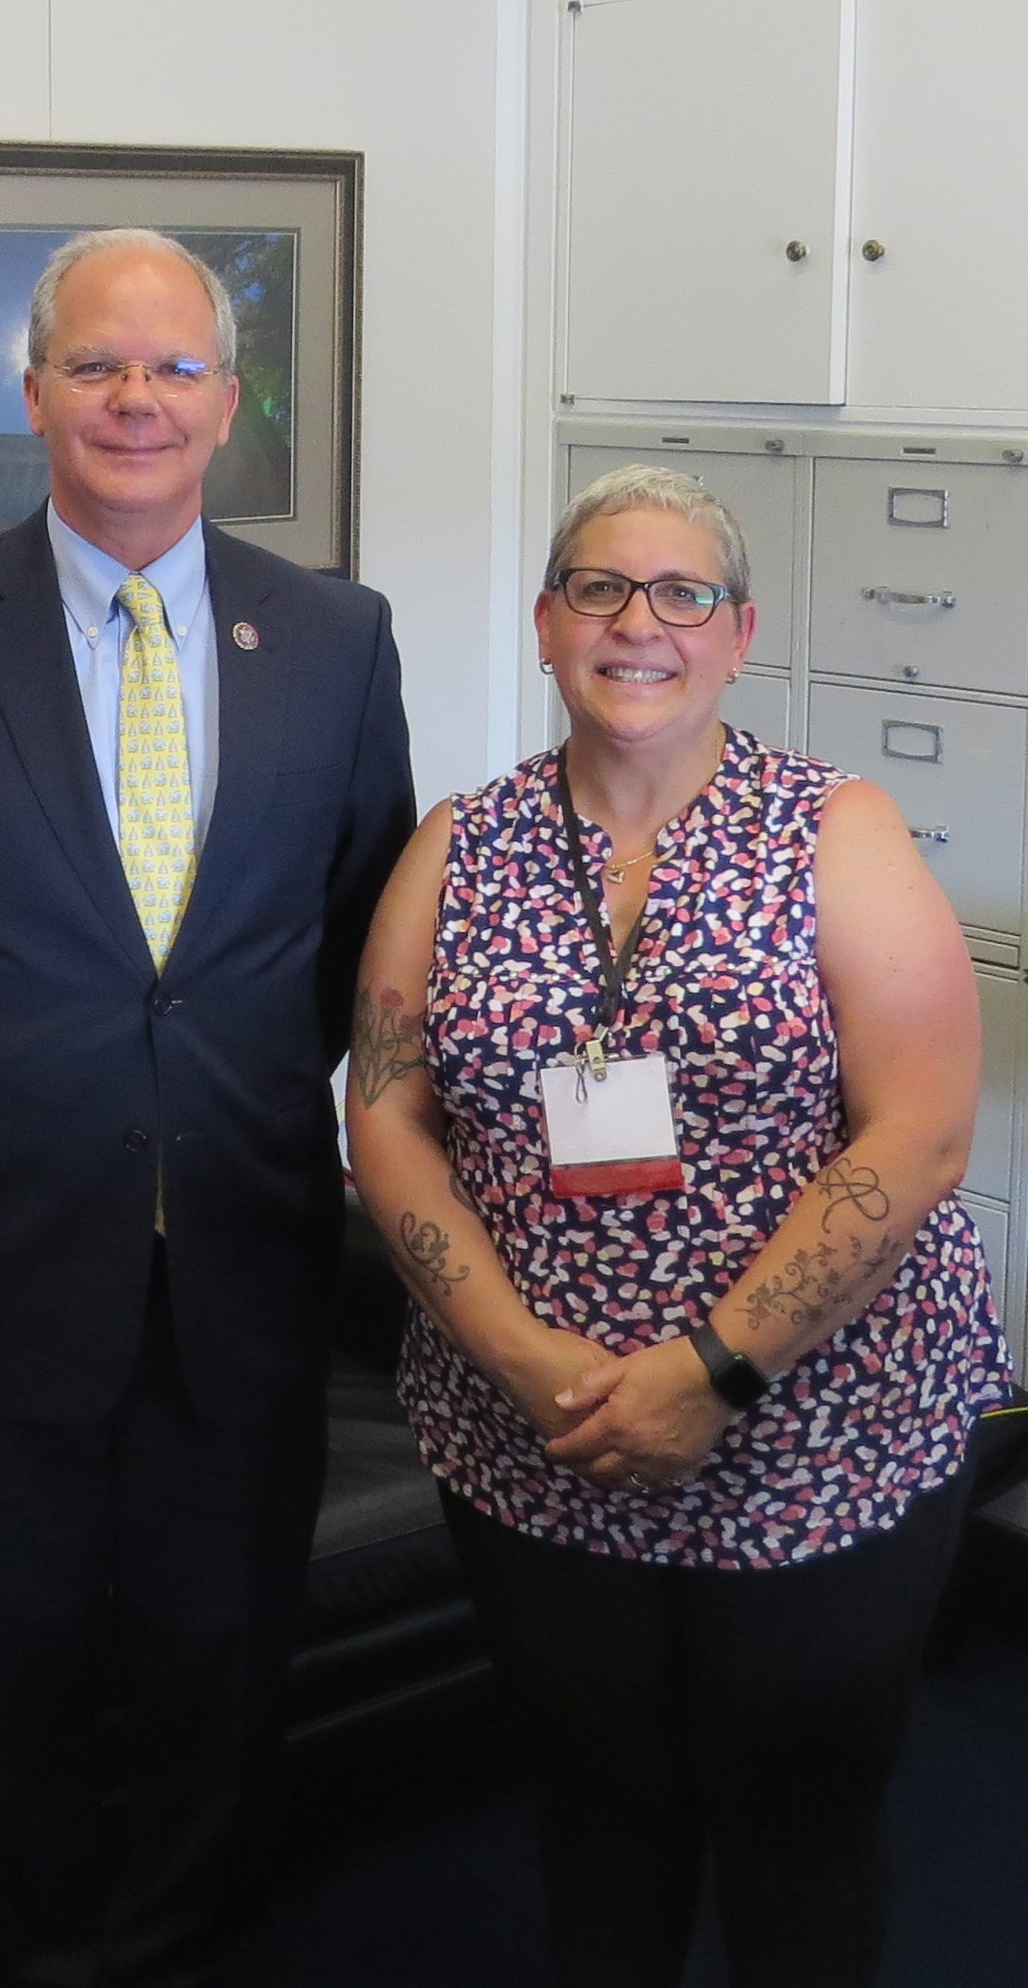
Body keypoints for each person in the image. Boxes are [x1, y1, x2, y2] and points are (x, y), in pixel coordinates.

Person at [0, 227, 415, 1986]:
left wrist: (223, 1093)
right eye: (95, 366)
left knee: (218, 1654)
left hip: (240, 1248)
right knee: (2, 1665)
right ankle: (25, 1954)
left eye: (173, 368)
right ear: (31, 395)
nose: (134, 402)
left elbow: (359, 939)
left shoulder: (333, 633)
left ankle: (172, 1942)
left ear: (229, 403)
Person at [345, 463, 1012, 1988]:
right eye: (596, 588)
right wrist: (521, 1361)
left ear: (735, 632)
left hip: (815, 1426)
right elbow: (384, 1113)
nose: (634, 623)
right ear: (542, 623)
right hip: (539, 1433)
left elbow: (918, 1128)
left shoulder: (833, 833)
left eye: (678, 593)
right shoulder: (461, 846)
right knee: (599, 1806)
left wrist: (710, 1370)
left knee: (796, 1822)